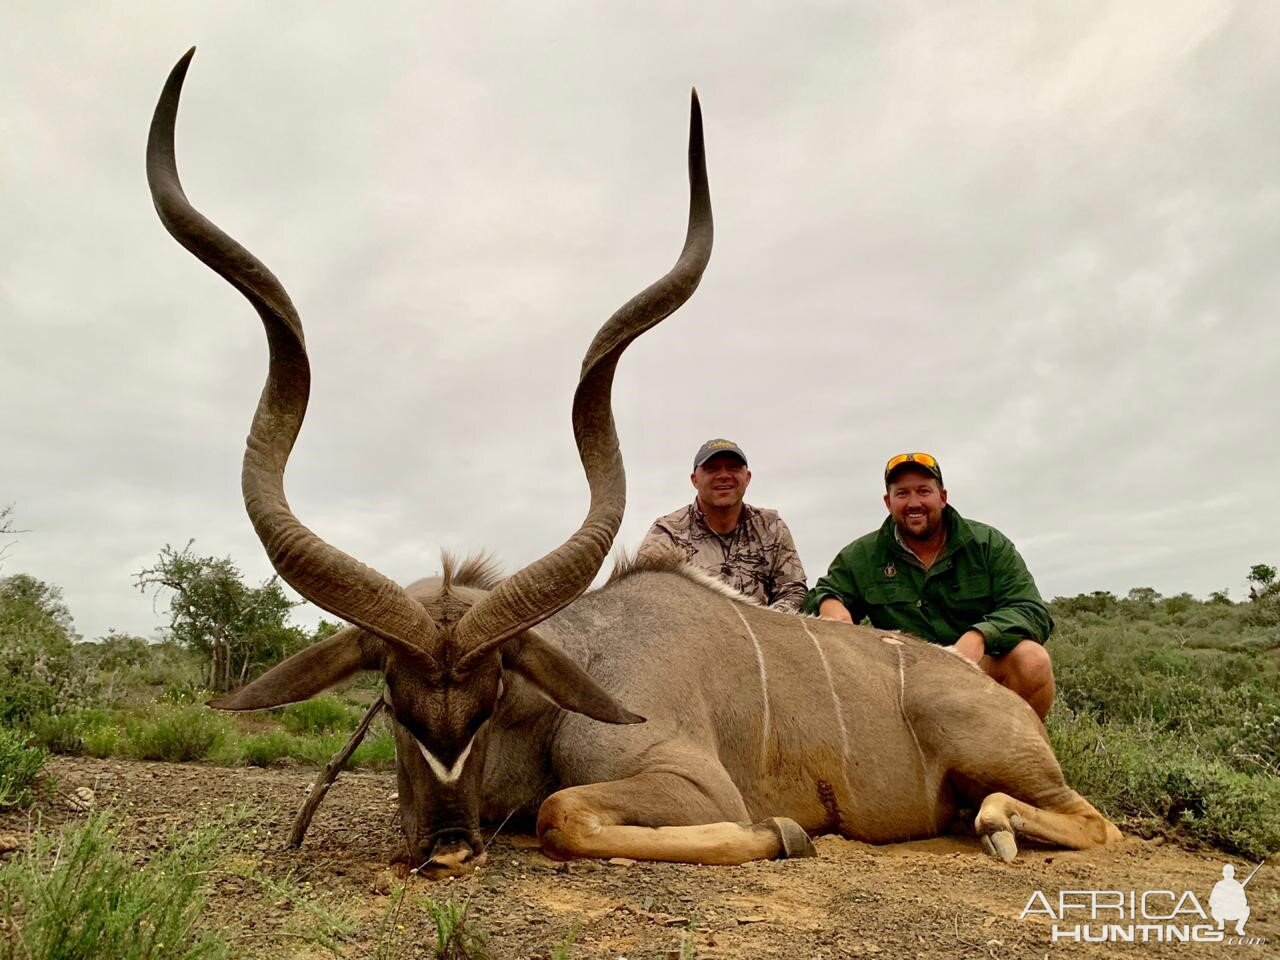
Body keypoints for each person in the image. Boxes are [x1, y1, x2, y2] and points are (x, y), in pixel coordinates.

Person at [804, 452, 1055, 719]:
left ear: (942, 497)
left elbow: (1031, 610)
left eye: (924, 491)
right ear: (888, 503)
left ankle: (1012, 756)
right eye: (902, 494)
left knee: (1032, 661)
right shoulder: (862, 554)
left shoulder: (988, 544)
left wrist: (979, 636)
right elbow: (818, 596)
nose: (914, 503)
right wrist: (828, 603)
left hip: (978, 671)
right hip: (901, 682)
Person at [638, 438, 808, 613]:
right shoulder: (667, 532)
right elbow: (644, 595)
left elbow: (793, 591)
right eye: (712, 468)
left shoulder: (771, 526)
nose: (724, 475)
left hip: (761, 634)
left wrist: (759, 629)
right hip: (695, 635)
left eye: (733, 467)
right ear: (694, 480)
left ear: (747, 477)